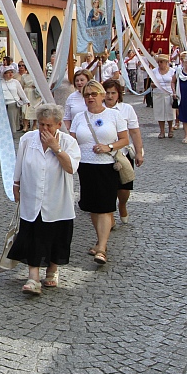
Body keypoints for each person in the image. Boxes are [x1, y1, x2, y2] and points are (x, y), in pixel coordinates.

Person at [9, 104, 81, 295]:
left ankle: (52, 270)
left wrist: (56, 149)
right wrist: (16, 184)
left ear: (58, 124)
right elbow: (19, 163)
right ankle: (33, 278)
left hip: (57, 199)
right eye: (41, 124)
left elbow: (71, 168)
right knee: (32, 234)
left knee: (57, 236)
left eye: (49, 125)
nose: (44, 129)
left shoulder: (68, 142)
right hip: (32, 197)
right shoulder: (28, 139)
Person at [70, 81, 130, 265]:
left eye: (94, 94)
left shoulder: (113, 115)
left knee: (105, 206)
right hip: (86, 166)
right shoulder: (79, 117)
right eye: (87, 94)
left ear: (102, 96)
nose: (90, 97)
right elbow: (72, 140)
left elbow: (124, 139)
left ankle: (102, 248)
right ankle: (99, 240)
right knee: (92, 207)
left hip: (107, 165)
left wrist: (108, 146)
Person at [103, 80, 144, 227]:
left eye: (113, 92)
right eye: (107, 92)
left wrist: (139, 152)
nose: (110, 96)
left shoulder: (127, 109)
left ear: (119, 94)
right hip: (105, 154)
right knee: (108, 187)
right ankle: (110, 214)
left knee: (124, 186)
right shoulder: (98, 109)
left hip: (123, 153)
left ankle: (122, 205)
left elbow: (134, 131)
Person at [149, 54, 176, 138]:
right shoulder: (154, 71)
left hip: (169, 93)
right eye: (158, 62)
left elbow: (174, 82)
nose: (159, 64)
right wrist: (154, 85)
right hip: (158, 93)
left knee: (170, 112)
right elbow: (151, 83)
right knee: (159, 112)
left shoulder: (172, 71)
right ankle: (162, 131)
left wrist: (175, 92)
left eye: (161, 62)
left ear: (166, 62)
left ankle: (170, 129)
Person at [1, 66, 28, 135]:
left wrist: (26, 100)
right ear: (4, 74)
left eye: (11, 72)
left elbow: (20, 92)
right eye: (8, 73)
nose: (10, 74)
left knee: (12, 119)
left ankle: (12, 133)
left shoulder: (15, 82)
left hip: (13, 102)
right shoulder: (0, 83)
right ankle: (3, 132)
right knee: (3, 120)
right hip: (3, 103)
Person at [18, 62, 39, 132]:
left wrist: (36, 86)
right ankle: (25, 125)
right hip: (26, 92)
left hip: (34, 93)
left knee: (34, 109)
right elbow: (22, 85)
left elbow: (40, 84)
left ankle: (34, 125)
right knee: (25, 109)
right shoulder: (24, 76)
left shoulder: (36, 75)